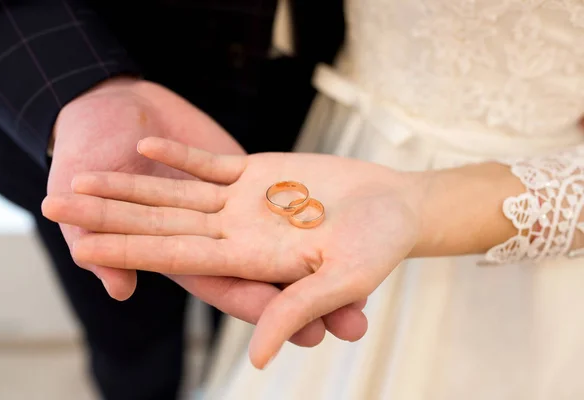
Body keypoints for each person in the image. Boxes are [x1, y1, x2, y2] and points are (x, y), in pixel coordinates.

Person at [41, 0, 584, 399]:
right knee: (132, 355)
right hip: (331, 131)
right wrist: (91, 91)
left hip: (494, 185)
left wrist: (418, 206)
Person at [0, 0, 346, 399]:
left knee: (258, 340)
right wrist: (89, 92)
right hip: (90, 108)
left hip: (315, 99)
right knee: (131, 349)